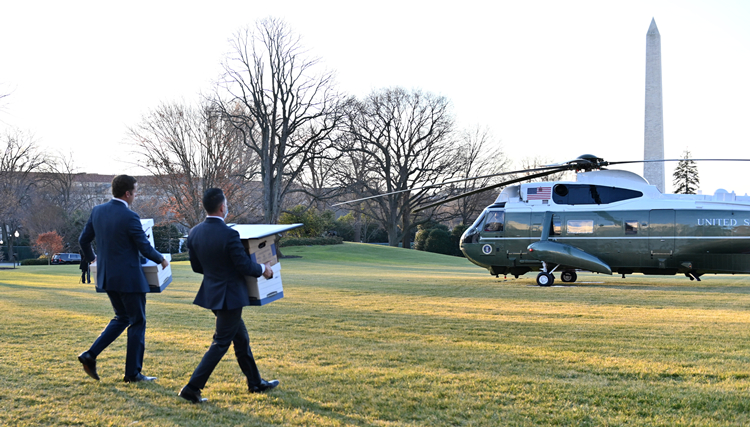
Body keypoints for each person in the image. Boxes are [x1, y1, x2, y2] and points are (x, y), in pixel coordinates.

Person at [178, 188, 277, 404]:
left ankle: (255, 382)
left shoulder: (194, 232)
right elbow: (243, 265)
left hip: (213, 293)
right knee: (221, 342)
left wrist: (217, 272)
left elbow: (196, 267)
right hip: (229, 296)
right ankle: (192, 387)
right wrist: (264, 269)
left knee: (241, 339)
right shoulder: (230, 234)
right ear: (222, 207)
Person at [77, 175, 169, 383]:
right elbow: (143, 246)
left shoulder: (97, 211)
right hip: (129, 279)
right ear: (127, 193)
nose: (136, 195)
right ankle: (132, 374)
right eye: (135, 192)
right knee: (137, 321)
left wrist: (93, 259)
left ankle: (90, 355)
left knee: (122, 318)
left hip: (108, 277)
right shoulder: (130, 216)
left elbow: (83, 240)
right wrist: (160, 259)